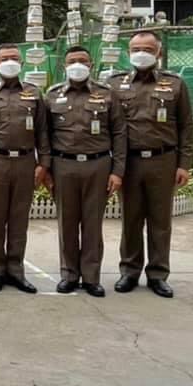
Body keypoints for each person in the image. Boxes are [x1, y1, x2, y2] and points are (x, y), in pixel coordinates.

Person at [110, 31, 193, 298]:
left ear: (159, 52)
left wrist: (184, 164)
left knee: (160, 221)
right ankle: (129, 271)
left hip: (163, 160)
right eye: (136, 49)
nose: (141, 53)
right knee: (131, 220)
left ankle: (158, 274)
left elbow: (186, 126)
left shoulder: (175, 84)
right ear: (128, 52)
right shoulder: (114, 85)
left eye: (147, 49)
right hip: (129, 162)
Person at [44, 46, 126, 298]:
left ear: (91, 65)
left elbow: (119, 133)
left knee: (92, 224)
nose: (77, 65)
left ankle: (91, 277)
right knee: (67, 223)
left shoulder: (107, 94)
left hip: (97, 165)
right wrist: (46, 169)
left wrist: (117, 171)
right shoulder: (52, 95)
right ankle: (69, 274)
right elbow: (44, 135)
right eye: (72, 61)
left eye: (82, 60)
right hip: (63, 165)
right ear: (64, 66)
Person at [0, 44, 51, 294]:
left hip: (25, 161)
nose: (10, 62)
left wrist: (44, 163)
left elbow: (43, 131)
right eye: (5, 58)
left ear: (22, 62)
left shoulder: (34, 93)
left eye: (14, 57)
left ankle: (16, 269)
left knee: (19, 219)